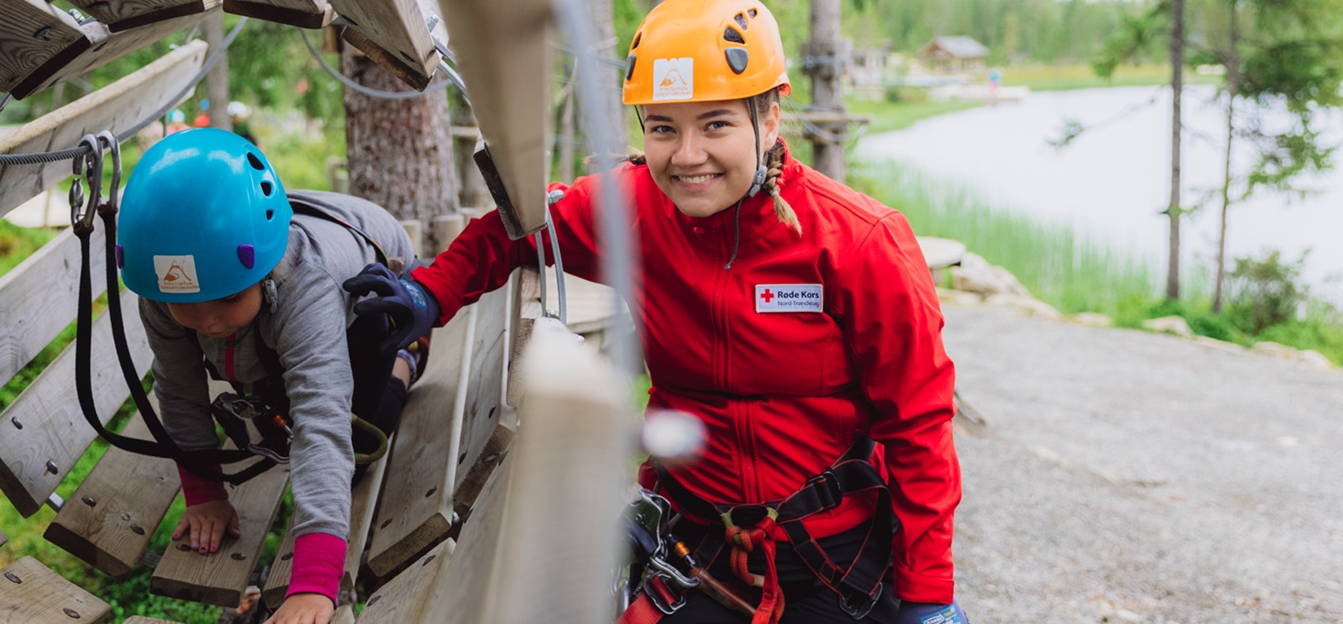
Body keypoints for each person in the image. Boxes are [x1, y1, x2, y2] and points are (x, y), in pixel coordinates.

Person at [342, 1, 965, 623]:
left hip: (833, 560)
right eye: (663, 127)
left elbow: (918, 423)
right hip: (697, 549)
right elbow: (514, 230)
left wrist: (930, 594)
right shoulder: (631, 210)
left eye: (716, 124)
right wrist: (429, 294)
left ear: (770, 115)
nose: (688, 155)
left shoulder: (858, 242)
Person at [117, 128, 424, 624]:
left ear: (262, 271)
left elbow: (321, 421)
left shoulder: (306, 283)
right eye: (187, 306)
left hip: (376, 284)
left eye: (228, 298)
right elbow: (178, 390)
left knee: (355, 451)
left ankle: (404, 359)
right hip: (284, 269)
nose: (210, 321)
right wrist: (205, 494)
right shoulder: (161, 288)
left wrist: (314, 583)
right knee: (268, 381)